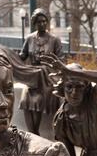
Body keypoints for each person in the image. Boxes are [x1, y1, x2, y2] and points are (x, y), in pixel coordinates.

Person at [19, 8, 64, 136]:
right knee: (25, 102)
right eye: (39, 22)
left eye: (44, 21)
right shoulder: (29, 39)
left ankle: (33, 135)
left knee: (38, 102)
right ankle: (32, 134)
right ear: (34, 23)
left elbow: (61, 60)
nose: (42, 24)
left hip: (47, 78)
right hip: (32, 77)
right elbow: (22, 56)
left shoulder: (54, 40)